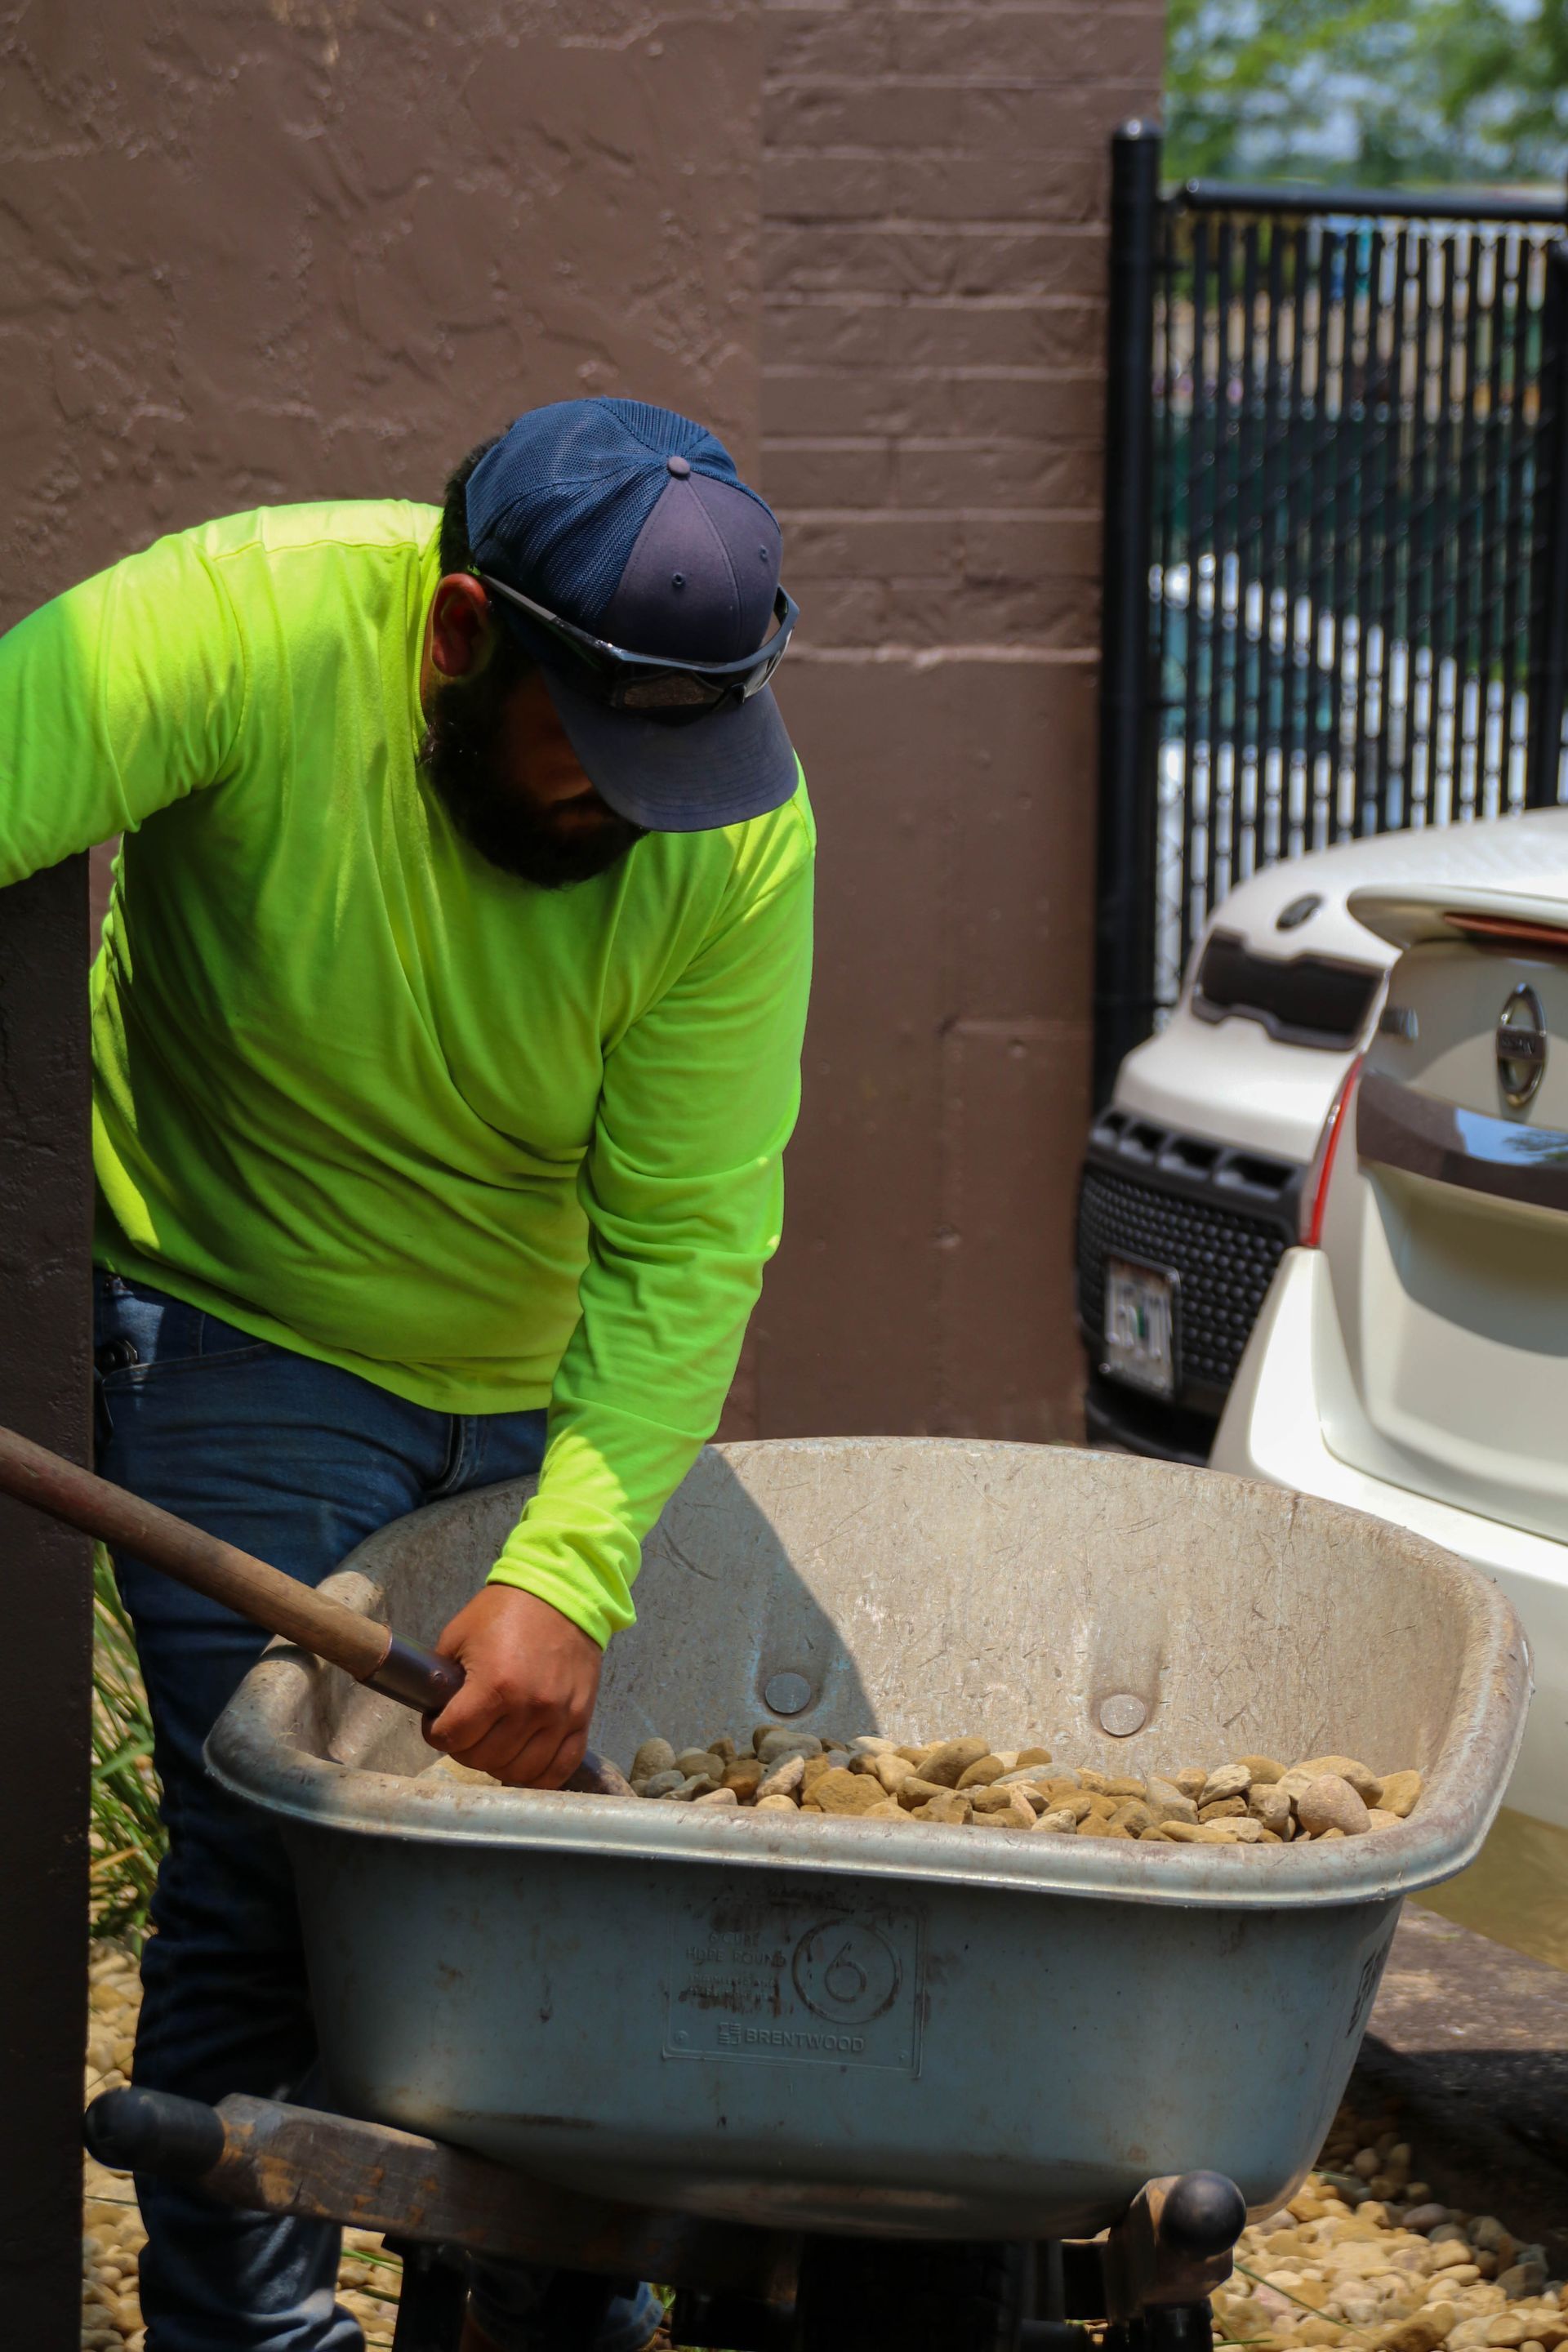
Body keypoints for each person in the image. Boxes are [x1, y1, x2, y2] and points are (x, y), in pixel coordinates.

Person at [0, 396, 814, 2352]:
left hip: (548, 1375)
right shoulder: (238, 626)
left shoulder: (734, 833)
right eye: (592, 748)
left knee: (551, 1863)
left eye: (684, 766)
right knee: (285, 1848)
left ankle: (542, 2291)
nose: (636, 808)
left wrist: (571, 1561)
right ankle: (252, 2327)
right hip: (239, 1328)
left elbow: (692, 1234)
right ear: (460, 637)